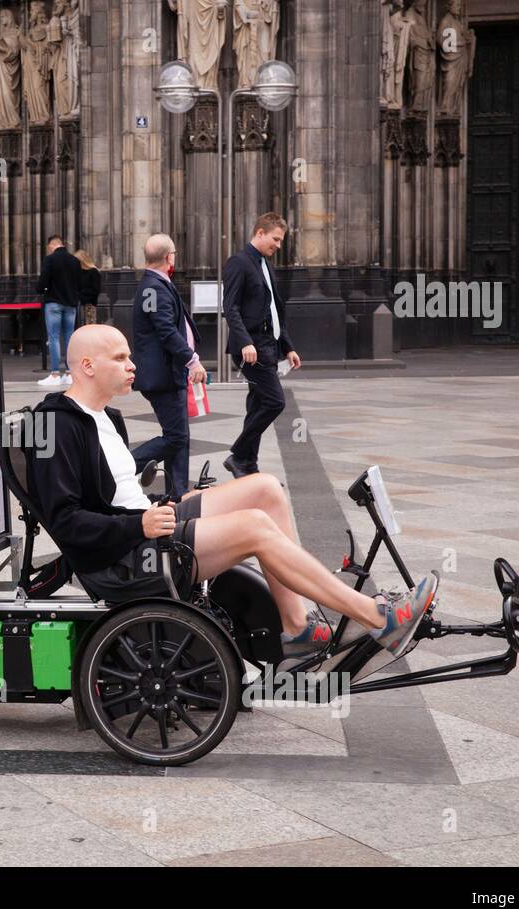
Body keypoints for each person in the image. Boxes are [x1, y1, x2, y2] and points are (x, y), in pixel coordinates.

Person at [30, 325, 438, 659]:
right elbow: (67, 523)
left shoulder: (106, 416)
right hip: (120, 559)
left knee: (265, 489)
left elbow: (115, 494)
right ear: (87, 365)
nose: (132, 365)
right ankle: (377, 617)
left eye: (129, 356)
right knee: (256, 527)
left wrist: (155, 507)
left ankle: (296, 628)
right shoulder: (57, 424)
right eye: (120, 358)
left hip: (144, 527)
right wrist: (140, 524)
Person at [221, 212, 301, 479]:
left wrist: (288, 346)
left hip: (269, 344)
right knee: (275, 401)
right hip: (251, 348)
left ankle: (247, 467)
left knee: (257, 405)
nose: (278, 245)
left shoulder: (266, 265)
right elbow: (230, 308)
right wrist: (245, 342)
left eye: (280, 241)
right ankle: (239, 453)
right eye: (275, 240)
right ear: (259, 233)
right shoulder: (238, 263)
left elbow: (275, 310)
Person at [129, 234, 204, 502]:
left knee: (179, 436)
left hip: (167, 374)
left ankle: (178, 494)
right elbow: (166, 331)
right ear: (169, 256)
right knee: (175, 437)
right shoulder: (153, 287)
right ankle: (120, 468)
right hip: (161, 376)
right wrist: (191, 359)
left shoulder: (157, 284)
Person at [35, 235, 82, 388]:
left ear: (51, 245)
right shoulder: (75, 261)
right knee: (70, 338)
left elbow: (43, 281)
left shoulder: (50, 259)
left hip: (54, 302)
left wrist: (41, 289)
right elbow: (79, 282)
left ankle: (55, 373)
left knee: (54, 337)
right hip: (71, 303)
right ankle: (69, 373)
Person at [74, 248, 101, 325]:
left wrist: (80, 294)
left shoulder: (93, 272)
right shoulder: (78, 272)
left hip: (89, 305)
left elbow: (96, 290)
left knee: (89, 328)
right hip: (79, 304)